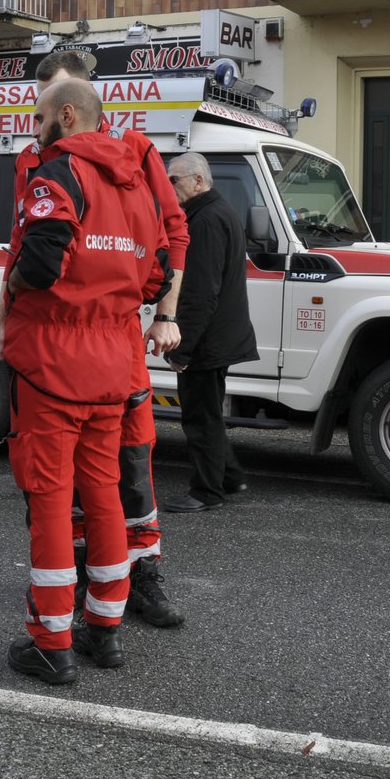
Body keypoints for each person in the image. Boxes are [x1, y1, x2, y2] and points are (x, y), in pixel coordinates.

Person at [0, 49, 189, 629]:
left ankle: (138, 579)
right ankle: (87, 592)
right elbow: (21, 242)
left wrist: (166, 314)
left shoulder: (136, 150)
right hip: (64, 331)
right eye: (40, 97)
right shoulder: (35, 160)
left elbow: (171, 234)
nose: (42, 115)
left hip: (112, 332)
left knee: (129, 460)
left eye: (53, 103)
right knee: (69, 476)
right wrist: (2, 317)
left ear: (75, 106)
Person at [2, 77, 163, 684]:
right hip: (111, 365)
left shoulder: (58, 176)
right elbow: (156, 273)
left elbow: (41, 263)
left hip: (52, 363)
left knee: (49, 500)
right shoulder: (138, 185)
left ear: (66, 116)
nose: (34, 125)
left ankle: (50, 640)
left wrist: (14, 285)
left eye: (40, 115)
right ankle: (106, 628)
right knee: (102, 496)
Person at [161, 153, 257, 512]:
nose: (169, 187)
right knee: (209, 413)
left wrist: (181, 349)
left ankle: (206, 492)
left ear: (198, 182)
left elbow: (200, 293)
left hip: (206, 340)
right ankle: (230, 477)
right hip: (217, 336)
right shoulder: (217, 212)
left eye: (175, 181)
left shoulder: (204, 221)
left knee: (200, 418)